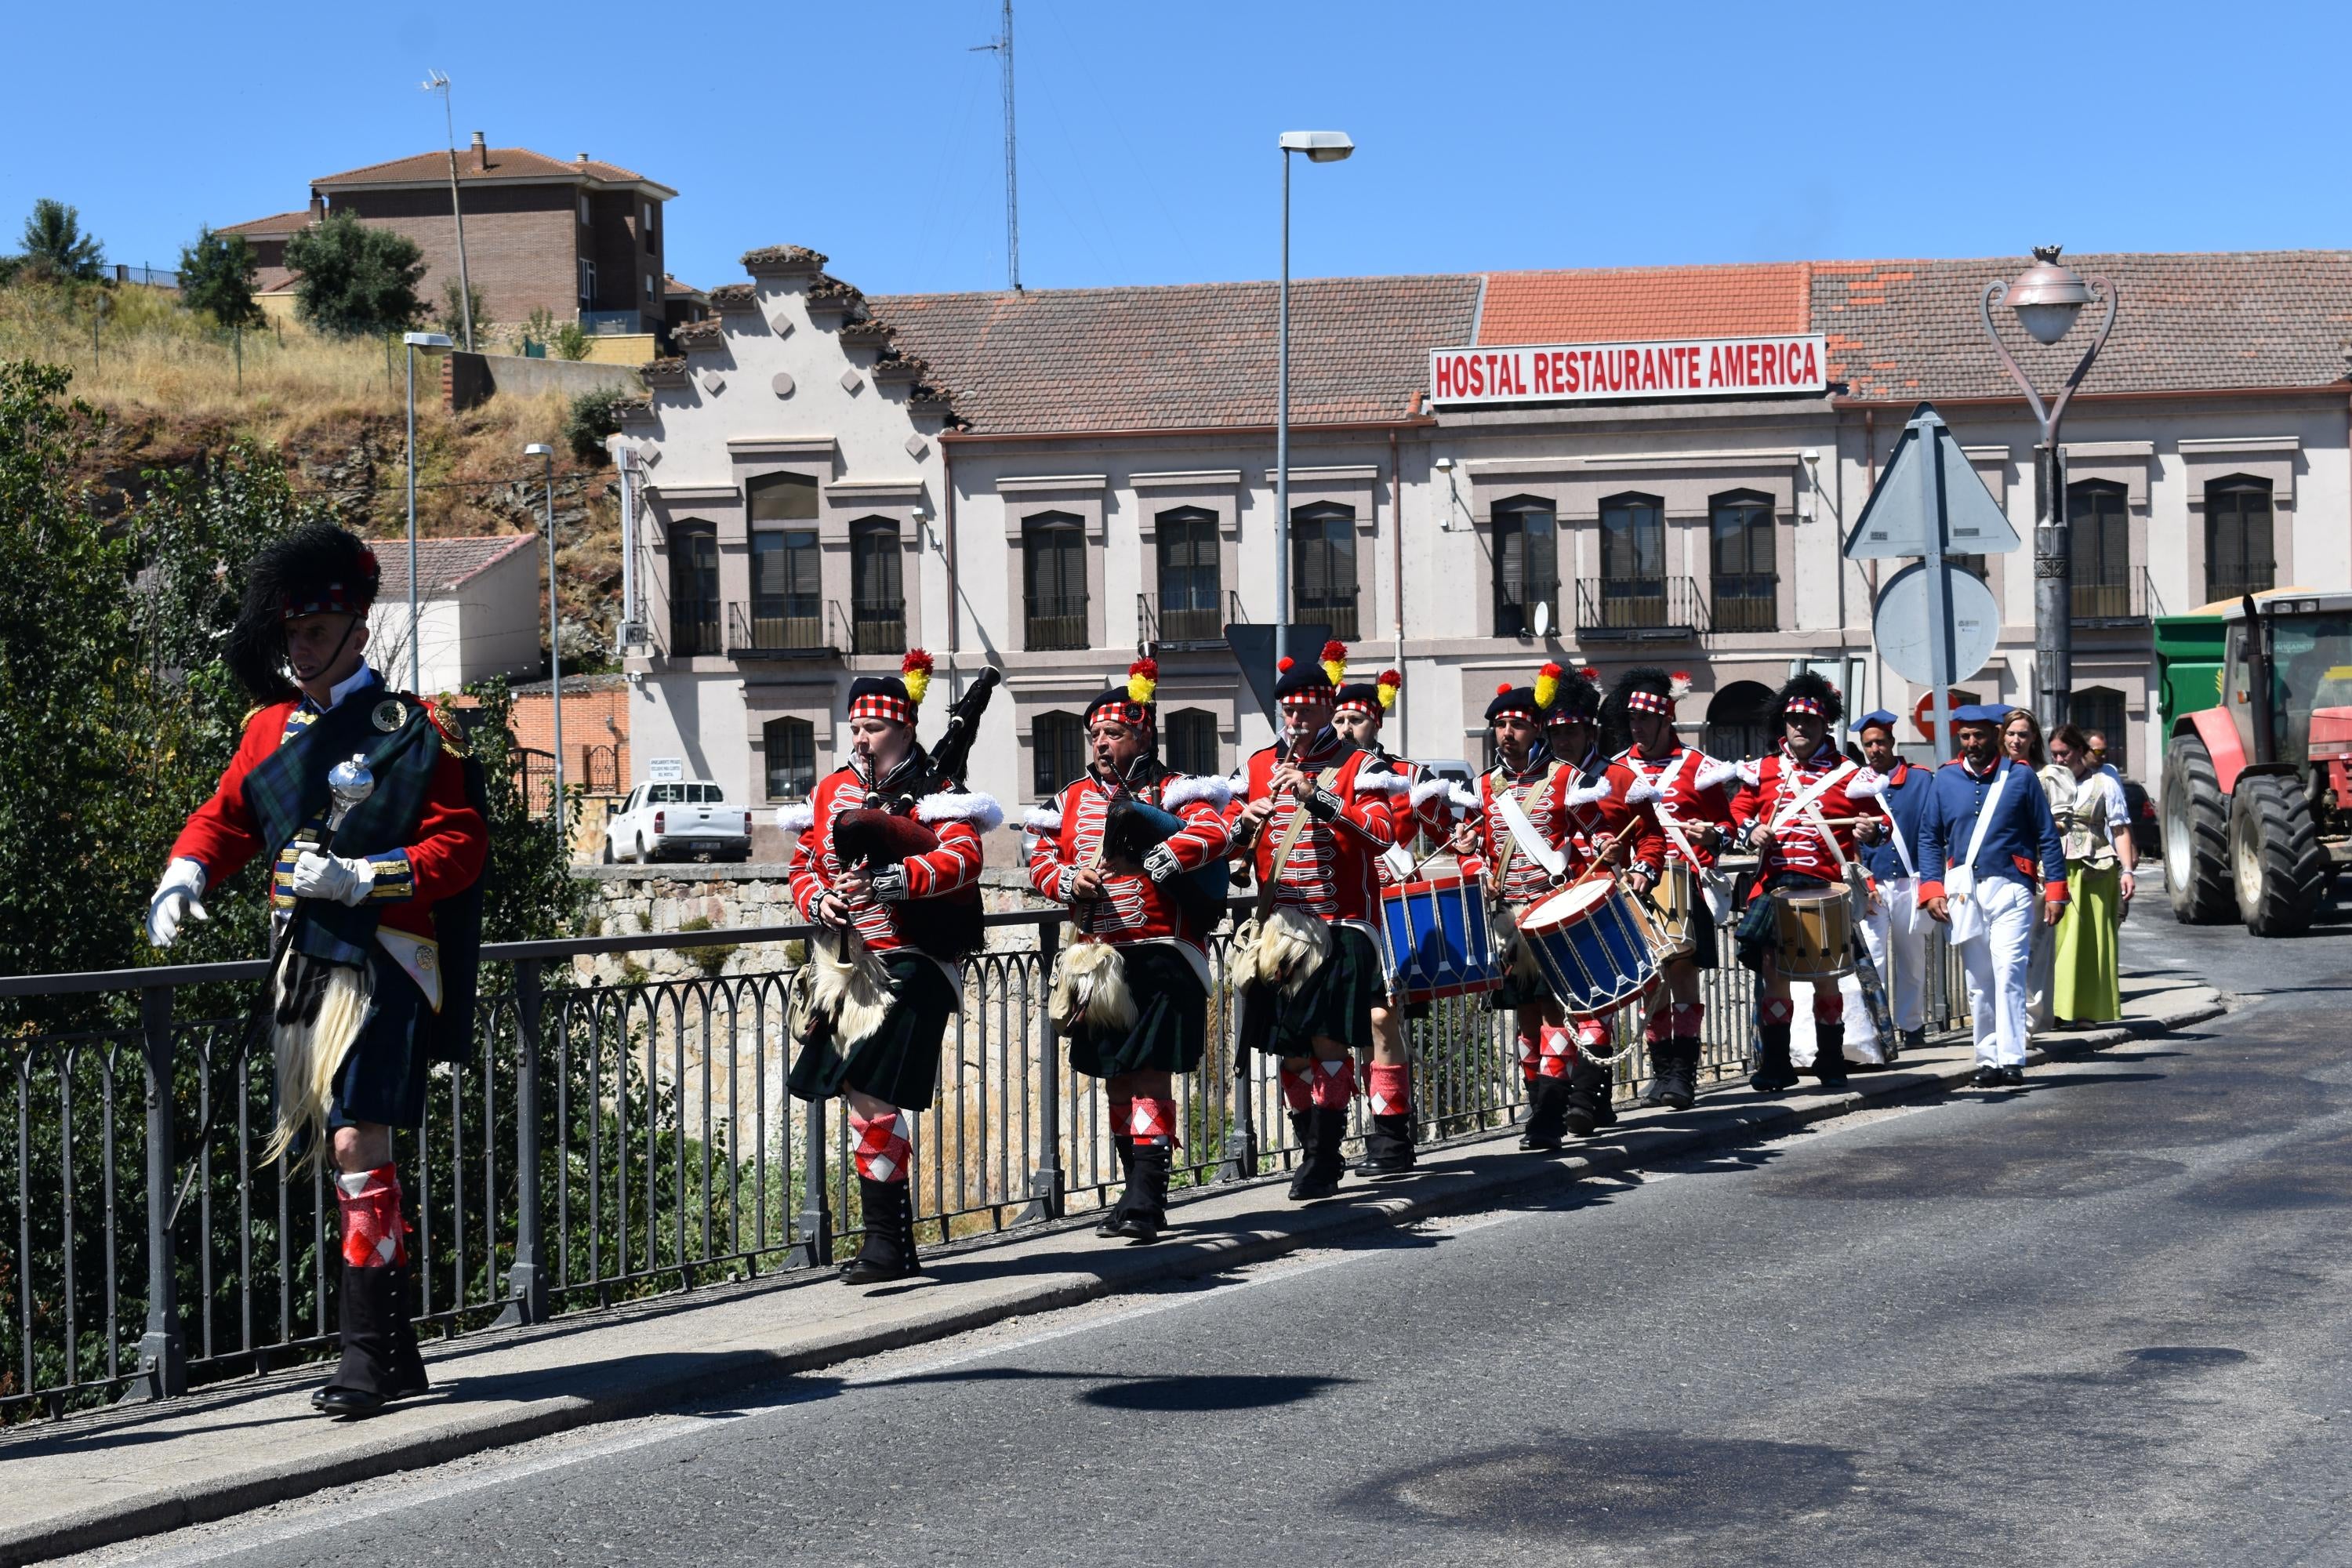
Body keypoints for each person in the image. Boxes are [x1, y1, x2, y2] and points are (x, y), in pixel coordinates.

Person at [148, 524, 488, 1420]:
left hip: (384, 957)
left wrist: (364, 876)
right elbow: (224, 818)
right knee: (342, 1147)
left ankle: (365, 1356)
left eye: (311, 633)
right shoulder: (268, 729)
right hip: (303, 962)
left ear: (355, 632)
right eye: (289, 633)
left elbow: (460, 848)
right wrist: (188, 869)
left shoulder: (412, 730)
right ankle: (397, 1348)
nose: (295, 648)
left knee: (354, 1139)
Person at [783, 650, 1001, 1283]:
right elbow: (802, 866)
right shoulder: (831, 791)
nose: (860, 738)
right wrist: (817, 898)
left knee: (870, 1091)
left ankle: (886, 1243)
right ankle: (893, 1242)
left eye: (873, 728)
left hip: (915, 959)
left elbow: (963, 861)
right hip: (847, 964)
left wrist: (891, 880)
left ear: (905, 726)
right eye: (855, 727)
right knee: (859, 1095)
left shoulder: (939, 790)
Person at [1028, 658, 1233, 1241]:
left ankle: (1147, 1198)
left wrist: (1165, 854)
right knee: (1117, 1077)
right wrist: (1068, 881)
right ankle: (1135, 1191)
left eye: (1112, 734)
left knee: (1148, 1074)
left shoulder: (1176, 788)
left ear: (1142, 733)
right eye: (1094, 735)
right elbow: (1039, 857)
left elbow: (1213, 831)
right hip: (1097, 959)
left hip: (1161, 952)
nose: (1100, 744)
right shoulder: (1068, 799)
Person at [1227, 641, 1405, 1200]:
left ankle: (1325, 1156)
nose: (1296, 720)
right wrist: (1242, 827)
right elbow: (1230, 848)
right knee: (1291, 1049)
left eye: (1306, 710)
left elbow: (1381, 834)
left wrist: (1319, 797)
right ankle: (1310, 1146)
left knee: (1328, 1045)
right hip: (1279, 931)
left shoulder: (1360, 766)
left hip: (1339, 926)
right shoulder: (1258, 765)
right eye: (1289, 711)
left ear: (1329, 708)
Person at [1728, 673, 1883, 1092]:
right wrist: (1751, 831)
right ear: (1784, 723)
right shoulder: (1762, 770)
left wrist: (1871, 832)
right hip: (1775, 886)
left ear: (1824, 726)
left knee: (1825, 976)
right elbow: (1738, 814)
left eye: (1810, 722)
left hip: (1823, 890)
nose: (1801, 728)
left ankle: (1830, 1060)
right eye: (1794, 721)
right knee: (1773, 975)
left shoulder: (1848, 772)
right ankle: (1777, 1064)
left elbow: (1879, 822)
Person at [1915, 706, 2068, 1087]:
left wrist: (2056, 892)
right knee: (1978, 980)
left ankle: (2013, 1058)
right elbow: (1930, 838)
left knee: (2010, 973)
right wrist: (1932, 888)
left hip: (2013, 887)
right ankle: (1987, 1059)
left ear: (1994, 736)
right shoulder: (1945, 779)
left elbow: (2047, 835)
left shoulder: (2020, 777)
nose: (1972, 744)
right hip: (1965, 893)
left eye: (1979, 736)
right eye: (1965, 737)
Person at [1609, 667, 1740, 1110]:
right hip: (1635, 886)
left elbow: (1729, 825)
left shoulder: (1699, 767)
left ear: (1667, 721)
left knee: (1683, 977)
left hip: (1684, 884)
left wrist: (1712, 835)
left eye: (1645, 720)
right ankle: (1660, 1070)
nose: (1637, 728)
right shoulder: (1618, 770)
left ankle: (1682, 1074)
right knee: (1648, 982)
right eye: (1632, 721)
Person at [1330, 661, 1425, 1175]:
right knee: (1331, 1030)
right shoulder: (1325, 774)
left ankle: (1390, 1142)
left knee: (1382, 1023)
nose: (1346, 729)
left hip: (1396, 914)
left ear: (1377, 724)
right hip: (1343, 915)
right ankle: (1329, 1143)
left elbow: (1448, 828)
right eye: (1339, 719)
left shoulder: (1409, 777)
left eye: (1357, 720)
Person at [1849, 711, 1933, 1060]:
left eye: (1880, 742)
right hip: (1873, 885)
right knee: (1874, 958)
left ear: (1892, 743)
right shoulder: (1855, 784)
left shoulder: (1921, 780)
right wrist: (1861, 880)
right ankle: (1875, 1029)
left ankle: (1912, 1025)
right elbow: (1848, 837)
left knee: (1912, 958)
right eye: (1868, 744)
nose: (1874, 749)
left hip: (1910, 882)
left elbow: (1932, 831)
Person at [2046, 723, 2136, 1022]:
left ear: (2081, 752)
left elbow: (2120, 828)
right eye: (2055, 754)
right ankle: (2055, 1009)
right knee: (2056, 941)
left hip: (2095, 870)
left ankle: (2086, 1010)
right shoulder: (2044, 782)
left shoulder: (2104, 784)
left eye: (2065, 753)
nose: (2059, 760)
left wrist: (2128, 871)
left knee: (2091, 941)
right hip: (2055, 868)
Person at [2006, 708, 2061, 1032]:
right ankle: (2007, 1024)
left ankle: (2026, 1024)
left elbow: (2059, 828)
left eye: (2023, 734)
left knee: (2032, 951)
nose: (2016, 740)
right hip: (2000, 871)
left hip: (2035, 873)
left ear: (2033, 739)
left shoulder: (2048, 776)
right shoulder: (1996, 773)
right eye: (2011, 733)